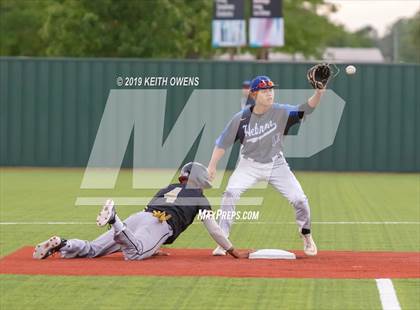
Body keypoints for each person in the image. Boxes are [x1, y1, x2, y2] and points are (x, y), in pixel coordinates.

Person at [33, 162, 250, 261]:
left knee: (93, 249)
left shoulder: (168, 188)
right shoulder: (199, 197)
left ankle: (63, 244)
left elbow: (152, 210)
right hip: (160, 224)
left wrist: (154, 246)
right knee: (135, 253)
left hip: (140, 217)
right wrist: (233, 251)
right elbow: (214, 229)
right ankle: (114, 219)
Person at [208, 75, 325, 256]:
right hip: (249, 165)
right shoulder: (241, 118)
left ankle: (306, 235)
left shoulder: (282, 111)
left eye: (271, 89)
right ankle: (223, 240)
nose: (269, 93)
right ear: (254, 94)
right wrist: (212, 166)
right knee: (230, 192)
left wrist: (319, 92)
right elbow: (222, 143)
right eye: (264, 90)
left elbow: (306, 110)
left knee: (300, 199)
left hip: (276, 164)